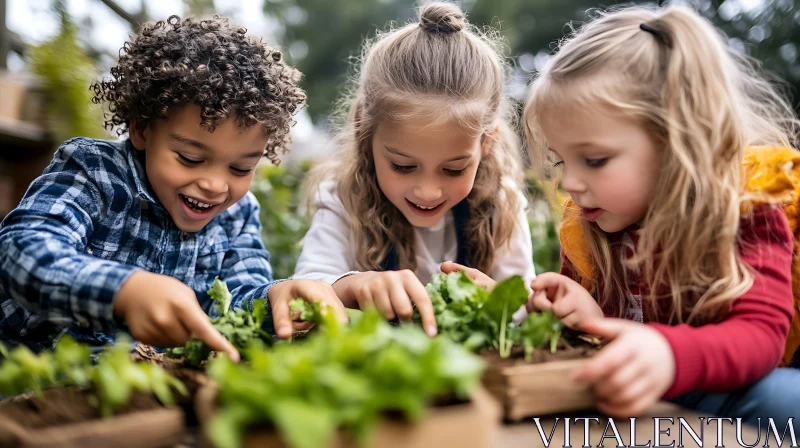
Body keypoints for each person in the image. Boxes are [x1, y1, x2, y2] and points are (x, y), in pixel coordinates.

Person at [0, 15, 347, 356]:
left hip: (138, 390)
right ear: (140, 128)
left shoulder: (238, 216)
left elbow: (238, 303)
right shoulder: (93, 172)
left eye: (241, 168)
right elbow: (21, 249)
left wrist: (275, 299)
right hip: (30, 377)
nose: (214, 185)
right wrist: (122, 290)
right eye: (189, 158)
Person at [520, 4, 800, 423]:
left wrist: (669, 355)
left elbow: (761, 337)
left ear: (677, 141)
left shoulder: (746, 210)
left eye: (594, 160)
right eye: (562, 162)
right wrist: (585, 316)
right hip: (639, 401)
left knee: (784, 398)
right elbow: (605, 343)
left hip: (724, 390)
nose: (570, 185)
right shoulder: (589, 226)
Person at [293, 2, 535, 336]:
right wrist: (351, 286)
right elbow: (305, 287)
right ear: (366, 130)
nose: (427, 191)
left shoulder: (501, 205)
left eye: (453, 170)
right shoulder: (344, 198)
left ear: (485, 145)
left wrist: (503, 301)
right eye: (403, 166)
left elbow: (523, 305)